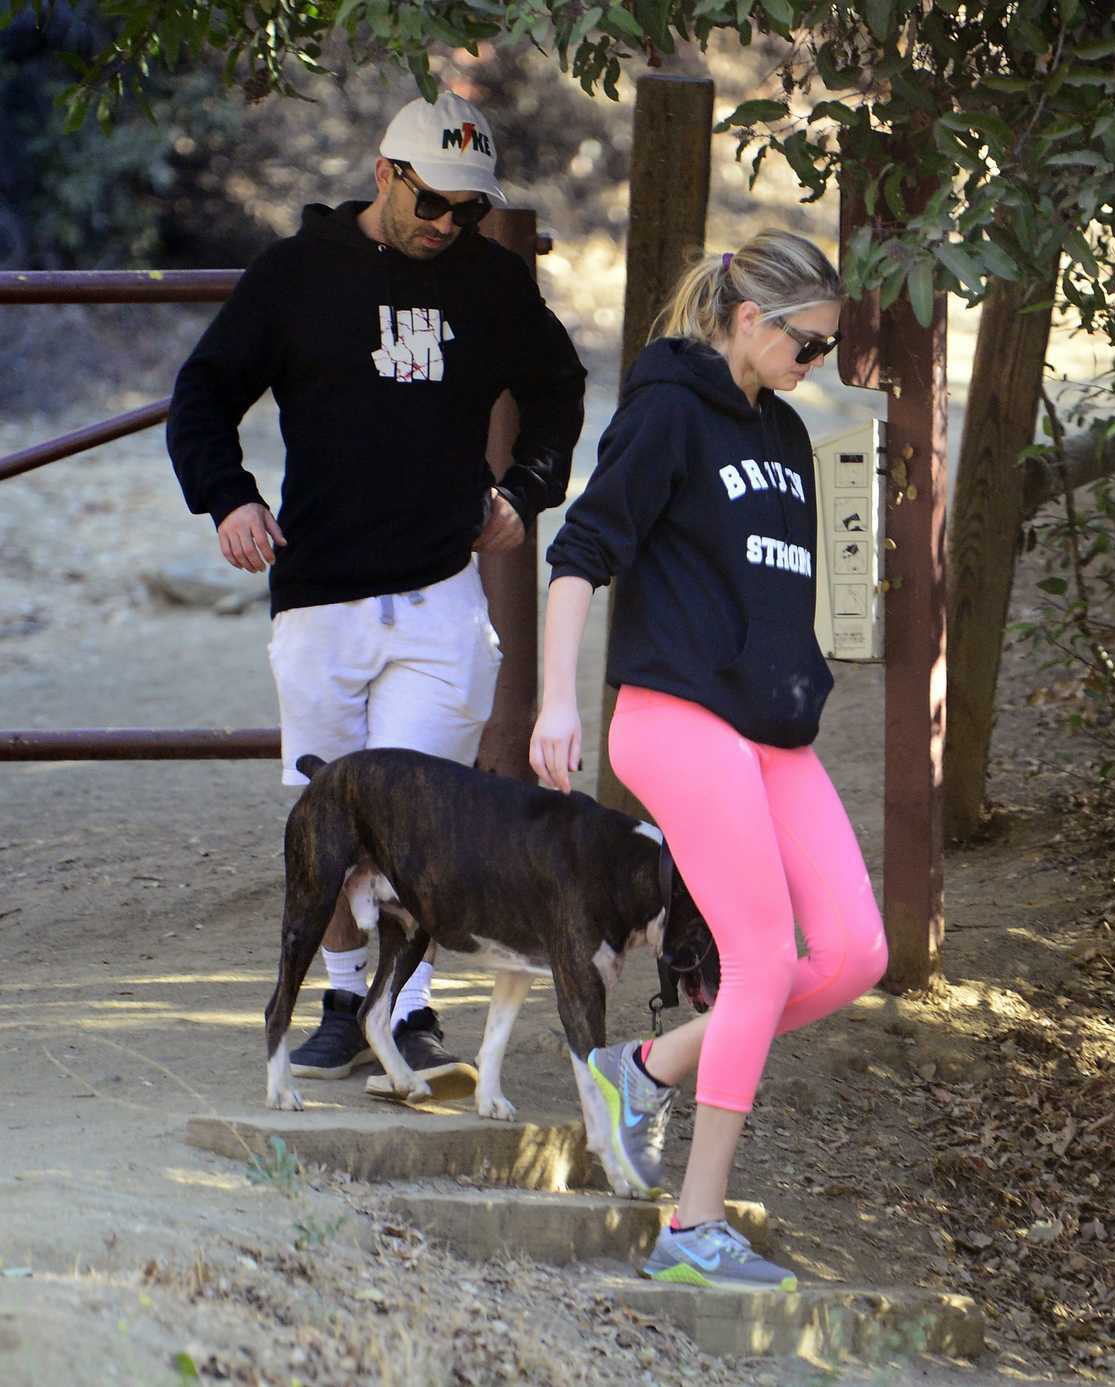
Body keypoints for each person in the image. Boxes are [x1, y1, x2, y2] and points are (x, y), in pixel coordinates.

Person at [169, 90, 586, 1099]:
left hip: (440, 592)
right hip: (318, 596)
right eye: (434, 204)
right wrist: (229, 501)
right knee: (330, 821)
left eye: (469, 212)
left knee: (421, 822)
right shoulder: (296, 275)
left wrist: (525, 493)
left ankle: (409, 1008)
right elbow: (203, 394)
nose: (449, 226)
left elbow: (560, 391)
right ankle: (347, 1000)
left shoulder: (489, 283)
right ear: (384, 176)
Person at [530, 230, 888, 1291]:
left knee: (854, 953)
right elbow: (578, 555)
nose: (813, 364)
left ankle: (639, 1072)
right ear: (746, 318)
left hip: (774, 731)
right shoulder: (665, 411)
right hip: (676, 716)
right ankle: (692, 1230)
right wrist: (557, 701)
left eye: (825, 348)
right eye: (806, 343)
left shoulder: (782, 434)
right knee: (764, 957)